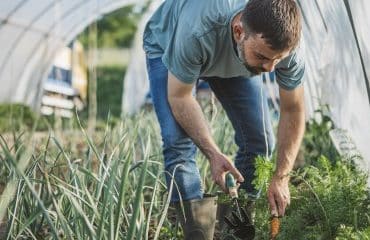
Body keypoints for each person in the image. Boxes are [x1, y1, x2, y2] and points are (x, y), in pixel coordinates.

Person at [143, 0, 305, 239]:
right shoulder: (198, 29)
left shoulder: (285, 48)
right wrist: (213, 153)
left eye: (277, 60)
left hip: (234, 57)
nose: (270, 69)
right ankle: (196, 235)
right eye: (262, 56)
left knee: (259, 143)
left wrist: (281, 177)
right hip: (168, 44)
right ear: (239, 31)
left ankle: (235, 232)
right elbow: (180, 97)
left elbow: (293, 109)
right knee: (178, 144)